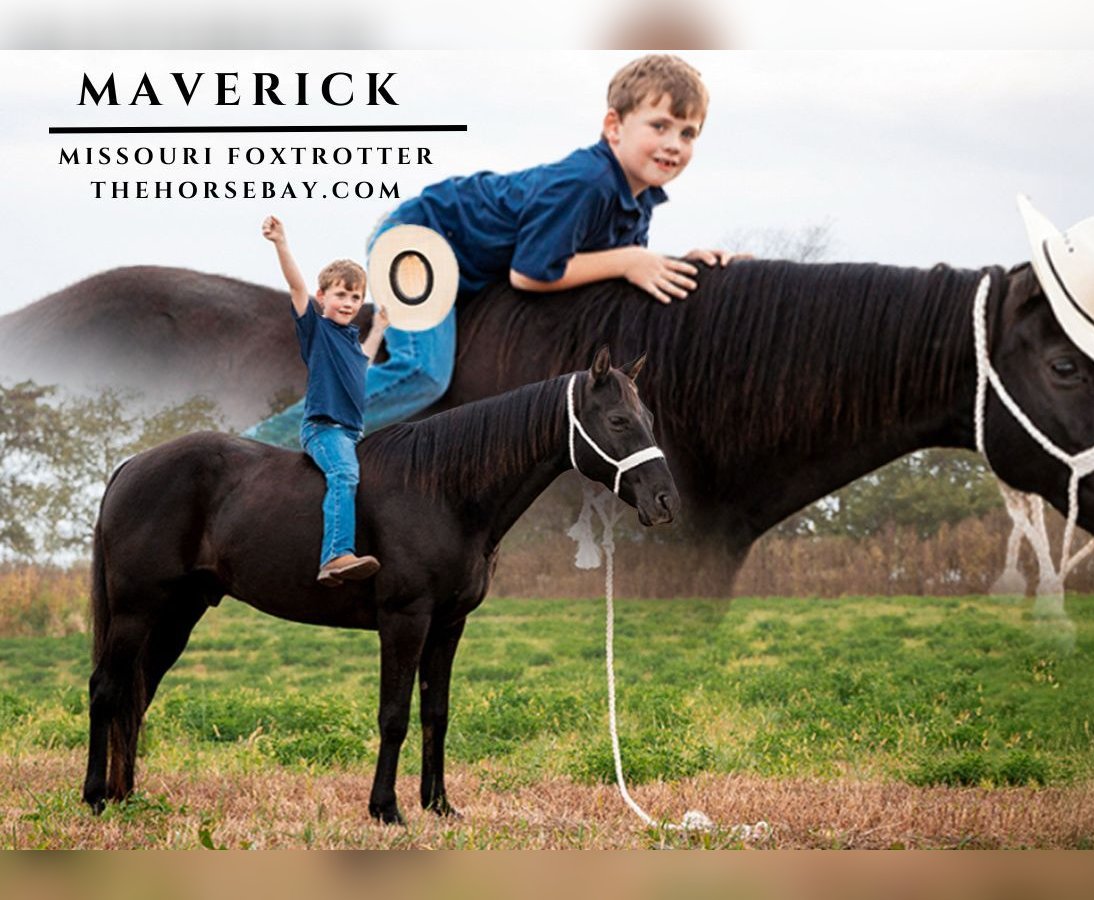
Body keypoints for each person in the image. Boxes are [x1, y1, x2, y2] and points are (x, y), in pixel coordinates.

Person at [245, 53, 741, 449]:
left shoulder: (637, 200)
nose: (674, 143)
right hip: (424, 238)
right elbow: (531, 274)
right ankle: (269, 441)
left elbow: (610, 271)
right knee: (424, 372)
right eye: (659, 126)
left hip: (470, 266)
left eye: (688, 132)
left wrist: (680, 262)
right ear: (614, 126)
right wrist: (631, 260)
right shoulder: (585, 182)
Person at [260, 215, 389, 587]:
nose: (348, 302)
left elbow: (362, 359)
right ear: (323, 298)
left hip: (352, 432)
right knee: (344, 474)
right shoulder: (316, 330)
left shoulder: (350, 340)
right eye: (340, 295)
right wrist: (282, 243)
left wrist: (378, 328)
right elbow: (297, 288)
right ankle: (334, 555)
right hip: (323, 428)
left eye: (355, 297)